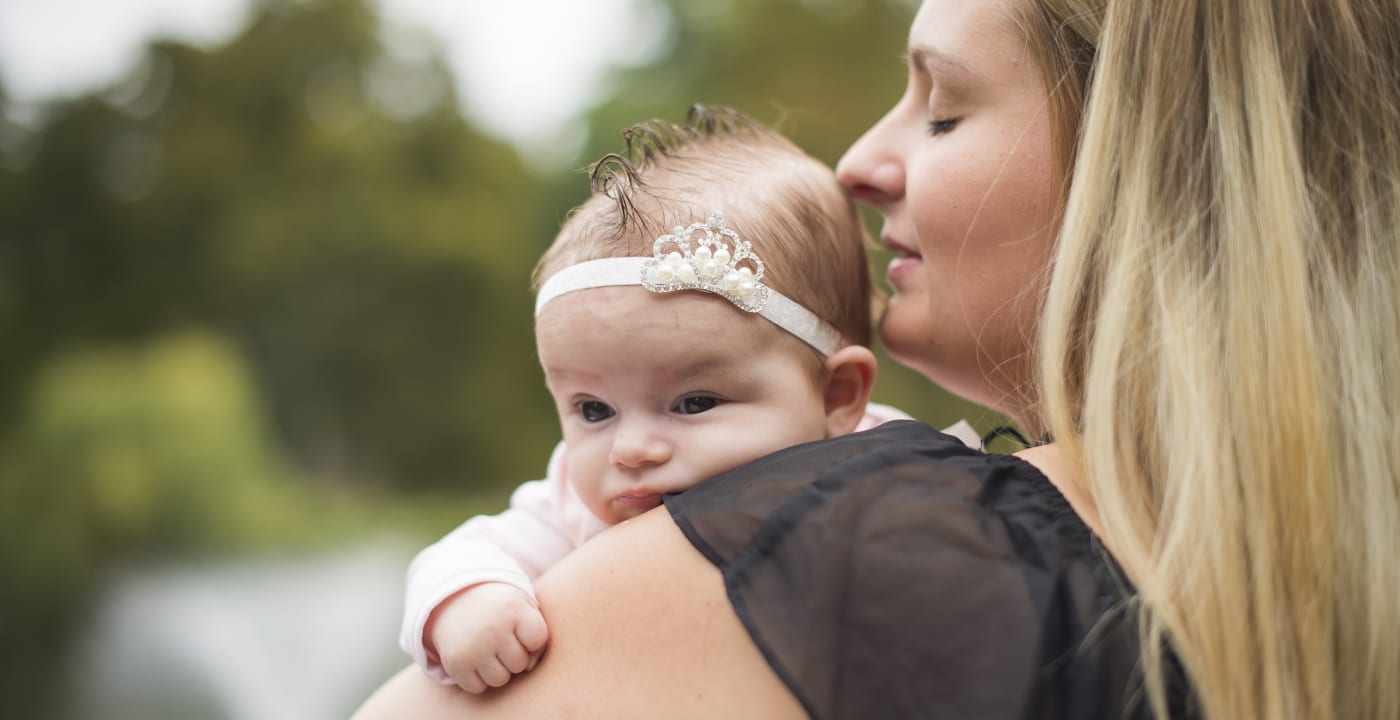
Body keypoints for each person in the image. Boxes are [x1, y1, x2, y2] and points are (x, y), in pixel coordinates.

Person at [356, 0, 1400, 717]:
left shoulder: (836, 543)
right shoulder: (1332, 585)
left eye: (941, 108)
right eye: (588, 409)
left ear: (1149, 154)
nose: (855, 162)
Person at [397, 107, 981, 694]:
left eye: (695, 402)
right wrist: (471, 601)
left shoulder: (894, 477)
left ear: (836, 396)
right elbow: (467, 552)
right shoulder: (571, 503)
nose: (631, 449)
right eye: (593, 410)